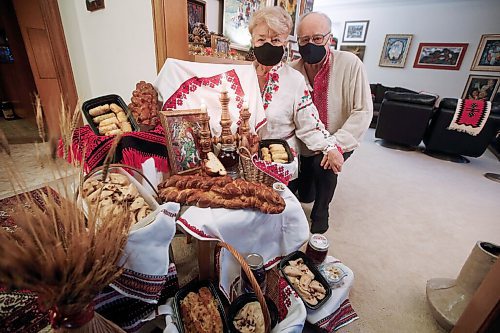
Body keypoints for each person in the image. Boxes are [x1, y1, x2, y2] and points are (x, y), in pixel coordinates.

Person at [290, 11, 373, 233]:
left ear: (329, 38)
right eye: (304, 40)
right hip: (306, 141)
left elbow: (363, 110)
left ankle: (321, 212)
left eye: (317, 38)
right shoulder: (292, 70)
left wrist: (334, 144)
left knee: (324, 166)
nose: (311, 44)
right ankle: (310, 192)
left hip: (339, 136)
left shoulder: (350, 64)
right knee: (304, 194)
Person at [248, 7, 340, 202]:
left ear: (285, 43)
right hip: (244, 161)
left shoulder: (295, 81)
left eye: (275, 40)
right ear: (252, 41)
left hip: (279, 162)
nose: (267, 45)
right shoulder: (239, 77)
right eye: (261, 39)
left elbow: (309, 125)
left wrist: (329, 147)